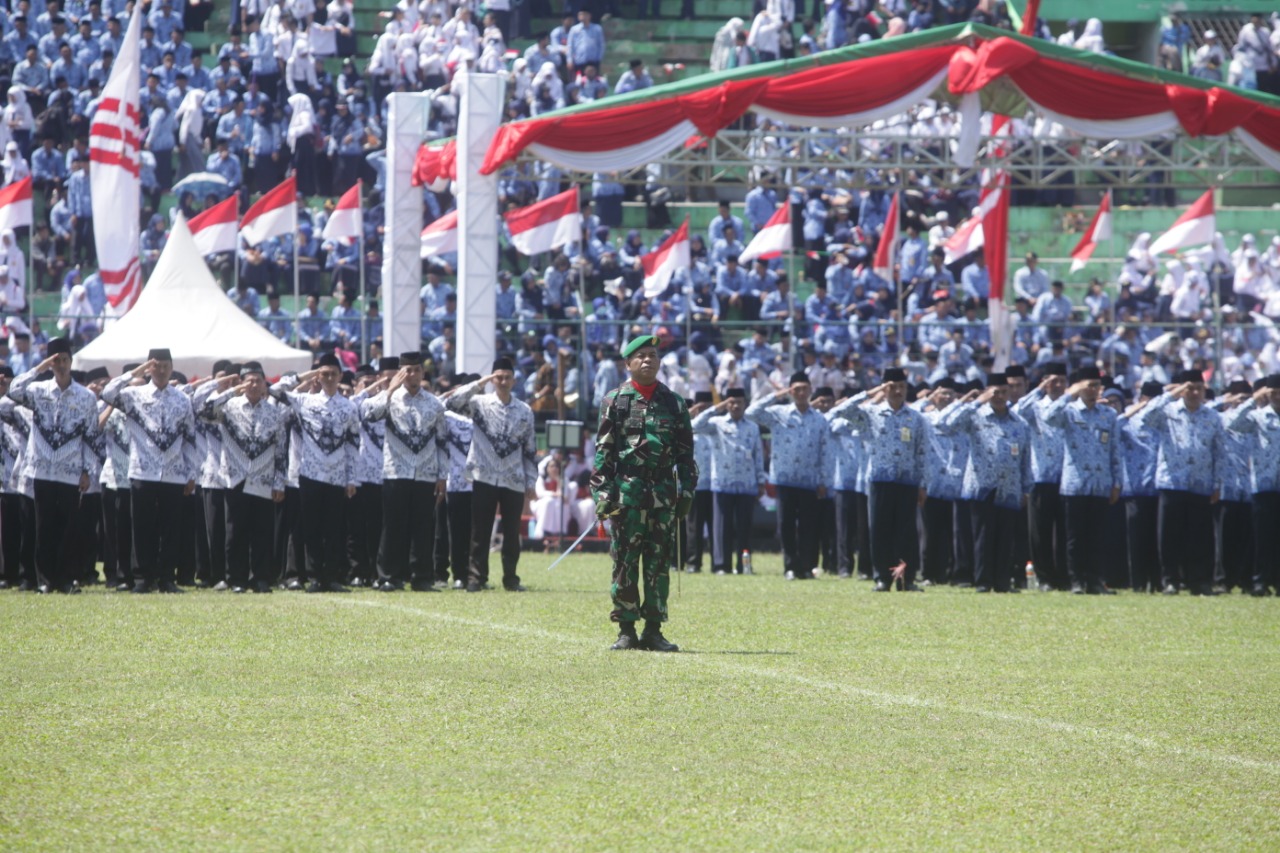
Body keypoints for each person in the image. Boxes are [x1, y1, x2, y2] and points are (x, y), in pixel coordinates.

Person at [591, 334, 696, 652]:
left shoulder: (675, 403)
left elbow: (685, 456)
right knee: (624, 562)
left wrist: (687, 492)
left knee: (659, 563)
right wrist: (602, 494)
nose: (648, 360)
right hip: (626, 496)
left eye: (653, 355)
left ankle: (653, 629)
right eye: (641, 356)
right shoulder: (615, 401)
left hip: (663, 497)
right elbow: (603, 454)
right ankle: (625, 629)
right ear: (628, 364)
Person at [101, 350, 199, 594]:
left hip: (173, 472)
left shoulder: (182, 399)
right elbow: (107, 393)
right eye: (157, 366)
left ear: (172, 366)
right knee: (142, 527)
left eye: (166, 366)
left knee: (170, 528)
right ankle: (143, 577)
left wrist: (191, 473)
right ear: (150, 369)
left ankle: (166, 577)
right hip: (143, 471)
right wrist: (134, 373)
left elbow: (189, 438)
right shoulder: (135, 394)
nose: (162, 370)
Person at [7, 338, 99, 594]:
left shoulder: (86, 397)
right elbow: (13, 390)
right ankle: (45, 580)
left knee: (69, 527)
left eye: (65, 360)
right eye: (56, 361)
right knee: (43, 526)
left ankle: (66, 579)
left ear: (71, 362)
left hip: (70, 472)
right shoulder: (38, 391)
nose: (61, 365)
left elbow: (92, 436)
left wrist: (87, 471)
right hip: (42, 469)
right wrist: (39, 368)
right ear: (50, 363)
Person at [828, 368, 930, 592]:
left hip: (907, 482)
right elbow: (842, 411)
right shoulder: (871, 414)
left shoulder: (916, 418)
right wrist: (869, 393)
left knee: (906, 533)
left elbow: (922, 453)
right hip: (879, 481)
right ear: (884, 388)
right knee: (879, 530)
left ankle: (906, 579)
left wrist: (923, 484)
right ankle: (882, 578)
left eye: (901, 387)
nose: (897, 391)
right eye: (892, 387)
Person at [444, 359, 537, 594]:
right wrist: (480, 382)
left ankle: (511, 578)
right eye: (498, 377)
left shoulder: (524, 411)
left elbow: (530, 449)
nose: (503, 382)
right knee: (480, 531)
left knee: (511, 532)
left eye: (507, 377)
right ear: (492, 379)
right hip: (484, 476)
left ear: (514, 380)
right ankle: (476, 577)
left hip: (512, 478)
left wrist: (531, 481)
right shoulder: (480, 403)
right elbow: (452, 403)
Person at [270, 354, 360, 593]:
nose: (329, 378)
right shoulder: (305, 401)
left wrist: (352, 478)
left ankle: (330, 577)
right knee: (311, 529)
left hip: (336, 475)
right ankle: (314, 577)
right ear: (318, 377)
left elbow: (353, 444)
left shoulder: (349, 407)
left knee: (333, 529)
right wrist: (305, 375)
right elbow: (275, 390)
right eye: (325, 374)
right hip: (309, 474)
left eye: (333, 374)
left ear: (340, 376)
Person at [361, 352, 447, 592]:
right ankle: (388, 576)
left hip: (425, 473)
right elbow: (368, 415)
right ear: (400, 372)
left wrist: (443, 476)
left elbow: (442, 441)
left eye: (416, 370)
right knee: (393, 526)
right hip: (395, 472)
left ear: (422, 373)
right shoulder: (390, 398)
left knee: (423, 528)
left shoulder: (434, 403)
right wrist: (389, 389)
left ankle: (421, 577)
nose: (412, 375)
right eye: (407, 371)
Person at [1132, 372, 1224, 596]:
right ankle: (1170, 580)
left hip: (1200, 483)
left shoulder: (1212, 417)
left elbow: (1219, 452)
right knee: (1169, 536)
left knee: (1199, 537)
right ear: (1182, 389)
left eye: (1198, 389)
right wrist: (1169, 393)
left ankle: (1198, 581)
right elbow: (1145, 417)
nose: (1194, 393)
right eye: (1190, 388)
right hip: (1172, 482)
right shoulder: (1168, 411)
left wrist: (1218, 483)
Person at [200, 361, 288, 593]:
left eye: (258, 380)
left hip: (263, 480)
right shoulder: (229, 407)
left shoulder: (274, 412)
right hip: (235, 478)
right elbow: (204, 411)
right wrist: (230, 390)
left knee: (262, 532)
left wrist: (279, 482)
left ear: (264, 384)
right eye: (248, 380)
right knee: (235, 533)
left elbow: (280, 451)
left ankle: (260, 578)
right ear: (241, 382)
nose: (253, 384)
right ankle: (236, 579)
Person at [939, 374, 1033, 593]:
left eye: (1003, 392)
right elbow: (944, 424)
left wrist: (1026, 489)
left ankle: (1002, 581)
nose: (999, 397)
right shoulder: (976, 416)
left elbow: (1025, 459)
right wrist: (975, 402)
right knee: (983, 536)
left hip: (1009, 487)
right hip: (982, 486)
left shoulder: (1019, 423)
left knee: (1005, 538)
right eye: (995, 392)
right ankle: (983, 580)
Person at [1041, 366, 1123, 595]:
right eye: (1089, 386)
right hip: (1075, 484)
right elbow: (1048, 417)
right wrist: (1070, 393)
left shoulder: (1108, 415)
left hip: (1100, 483)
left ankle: (1095, 580)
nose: (1093, 390)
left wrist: (1117, 482)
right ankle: (1076, 580)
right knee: (1075, 538)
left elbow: (1115, 450)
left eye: (1096, 386)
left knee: (1097, 537)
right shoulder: (1068, 411)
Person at [745, 370, 832, 580]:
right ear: (791, 391)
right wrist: (778, 394)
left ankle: (806, 566)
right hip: (784, 479)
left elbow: (825, 451)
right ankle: (791, 566)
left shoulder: (820, 419)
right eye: (797, 389)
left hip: (809, 481)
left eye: (805, 389)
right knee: (786, 524)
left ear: (811, 390)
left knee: (808, 526)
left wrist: (823, 480)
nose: (801, 393)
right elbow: (751, 412)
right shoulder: (779, 413)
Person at [691, 387, 766, 575]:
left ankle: (744, 566)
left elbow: (758, 455)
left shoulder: (753, 427)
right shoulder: (716, 423)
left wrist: (761, 481)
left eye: (739, 402)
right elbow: (694, 426)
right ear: (726, 404)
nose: (735, 406)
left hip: (747, 485)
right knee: (721, 529)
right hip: (722, 484)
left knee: (744, 529)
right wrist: (717, 408)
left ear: (745, 404)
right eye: (731, 402)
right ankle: (721, 566)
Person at [1012, 363, 1068, 591]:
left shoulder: (1070, 406)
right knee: (1040, 532)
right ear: (1045, 382)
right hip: (1040, 476)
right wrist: (1038, 389)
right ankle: (1044, 577)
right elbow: (1016, 411)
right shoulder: (1034, 406)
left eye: (1061, 381)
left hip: (1066, 479)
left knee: (1065, 533)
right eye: (1052, 381)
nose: (1057, 386)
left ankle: (1064, 577)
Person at [1223, 375, 1280, 596]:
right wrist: (1253, 399)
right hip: (1264, 486)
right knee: (1263, 538)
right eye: (1273, 393)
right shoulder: (1257, 416)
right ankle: (1260, 580)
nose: (1277, 397)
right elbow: (1232, 424)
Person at [683, 391, 714, 572]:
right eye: (700, 408)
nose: (703, 412)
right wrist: (694, 410)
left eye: (707, 408)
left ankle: (718, 563)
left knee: (715, 527)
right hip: (696, 484)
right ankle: (694, 563)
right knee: (693, 527)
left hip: (715, 485)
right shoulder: (688, 427)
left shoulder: (717, 426)